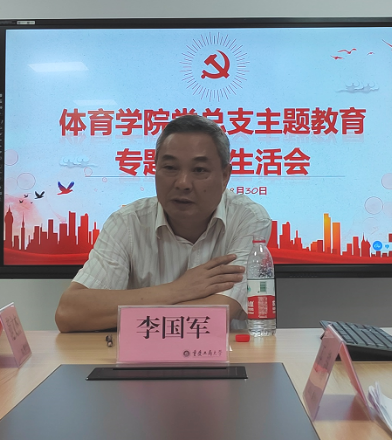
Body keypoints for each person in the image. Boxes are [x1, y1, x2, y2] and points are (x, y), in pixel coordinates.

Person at [55, 114, 271, 332]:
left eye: (199, 170)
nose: (183, 183)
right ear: (155, 168)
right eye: (170, 167)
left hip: (224, 353)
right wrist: (178, 289)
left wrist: (130, 310)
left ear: (225, 176)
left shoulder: (248, 219)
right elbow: (69, 313)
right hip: (139, 353)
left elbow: (217, 314)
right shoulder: (127, 223)